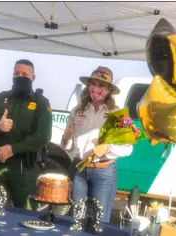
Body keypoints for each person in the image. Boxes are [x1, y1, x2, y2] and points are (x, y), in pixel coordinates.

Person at [61, 66, 133, 223]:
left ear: (108, 90)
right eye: (93, 84)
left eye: (101, 85)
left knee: (99, 221)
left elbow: (129, 147)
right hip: (79, 170)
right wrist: (66, 139)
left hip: (103, 172)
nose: (96, 88)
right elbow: (67, 147)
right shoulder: (77, 111)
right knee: (77, 218)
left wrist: (108, 148)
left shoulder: (118, 114)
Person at [0, 59, 52, 210]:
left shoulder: (40, 103)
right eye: (17, 73)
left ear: (33, 78)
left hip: (24, 169)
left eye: (25, 74)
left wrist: (13, 149)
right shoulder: (0, 99)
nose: (20, 76)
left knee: (24, 214)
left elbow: (44, 136)